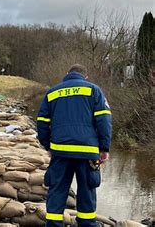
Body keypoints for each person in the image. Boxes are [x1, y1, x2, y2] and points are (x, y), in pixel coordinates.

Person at [37, 64, 112, 227]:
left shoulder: (53, 92)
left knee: (57, 189)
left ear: (67, 74)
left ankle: (54, 224)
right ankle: (87, 223)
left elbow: (42, 122)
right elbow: (104, 121)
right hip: (88, 153)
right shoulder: (94, 90)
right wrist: (104, 148)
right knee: (87, 189)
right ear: (85, 77)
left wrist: (48, 145)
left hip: (60, 152)